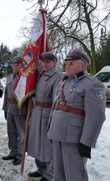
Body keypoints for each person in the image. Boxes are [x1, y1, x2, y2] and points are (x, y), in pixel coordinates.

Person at [47, 49, 106, 181]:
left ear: (82, 66)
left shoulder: (92, 85)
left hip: (74, 137)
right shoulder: (63, 82)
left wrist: (87, 142)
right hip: (57, 134)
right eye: (66, 63)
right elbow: (56, 106)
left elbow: (96, 117)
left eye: (71, 63)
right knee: (59, 173)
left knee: (75, 175)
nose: (67, 66)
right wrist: (50, 128)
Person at [27, 52, 63, 181]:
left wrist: (54, 118)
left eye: (48, 61)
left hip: (48, 114)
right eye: (43, 61)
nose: (45, 64)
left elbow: (56, 100)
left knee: (47, 146)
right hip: (37, 112)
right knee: (37, 142)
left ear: (54, 63)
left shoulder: (58, 77)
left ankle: (49, 174)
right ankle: (41, 168)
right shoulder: (41, 75)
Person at [2, 56, 28, 165]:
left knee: (21, 133)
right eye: (14, 64)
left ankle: (20, 154)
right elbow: (6, 94)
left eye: (18, 64)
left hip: (20, 109)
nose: (15, 66)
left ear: (22, 65)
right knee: (11, 132)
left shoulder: (25, 78)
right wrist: (5, 108)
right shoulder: (9, 77)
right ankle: (13, 151)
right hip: (10, 108)